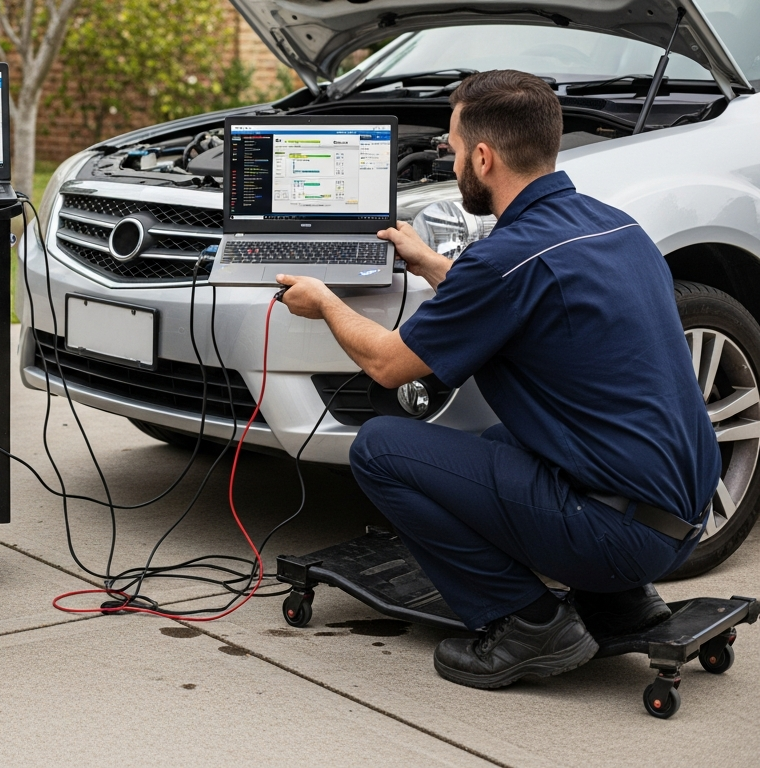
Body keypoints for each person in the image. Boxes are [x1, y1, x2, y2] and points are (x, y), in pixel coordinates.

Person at [274, 69, 720, 689]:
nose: (452, 162)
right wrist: (434, 265)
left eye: (454, 150)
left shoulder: (503, 259)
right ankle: (621, 600)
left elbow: (387, 363)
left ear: (483, 157)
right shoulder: (613, 226)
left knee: (379, 447)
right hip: (683, 519)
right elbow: (519, 295)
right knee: (500, 444)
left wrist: (324, 301)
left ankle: (528, 624)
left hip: (616, 533)